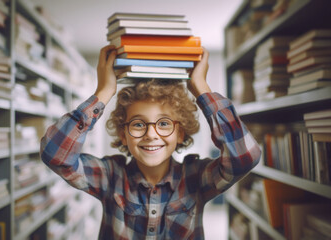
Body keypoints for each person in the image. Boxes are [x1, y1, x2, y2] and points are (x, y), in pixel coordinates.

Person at [40, 45, 261, 239]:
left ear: (180, 133)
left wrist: (201, 87)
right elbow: (55, 154)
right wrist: (104, 92)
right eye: (138, 124)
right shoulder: (110, 176)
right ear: (123, 134)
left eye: (164, 124)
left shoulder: (196, 177)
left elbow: (244, 157)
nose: (151, 134)